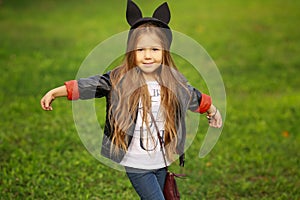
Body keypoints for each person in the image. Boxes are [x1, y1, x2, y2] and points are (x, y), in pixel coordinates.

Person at [40, 1, 222, 199]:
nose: (147, 56)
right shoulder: (119, 79)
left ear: (165, 52)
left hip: (161, 160)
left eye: (155, 50)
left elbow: (193, 96)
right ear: (131, 52)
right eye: (140, 50)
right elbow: (88, 86)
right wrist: (56, 92)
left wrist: (212, 110)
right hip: (137, 162)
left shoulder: (172, 81)